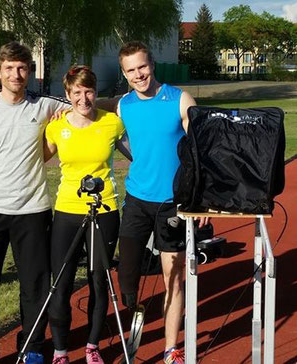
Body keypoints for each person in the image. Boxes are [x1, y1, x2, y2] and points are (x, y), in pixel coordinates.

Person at [0, 41, 69, 364]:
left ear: (30, 72)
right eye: (9, 68)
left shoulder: (45, 105)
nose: (16, 74)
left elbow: (80, 103)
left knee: (35, 283)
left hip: (32, 211)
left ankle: (32, 347)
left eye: (22, 68)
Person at [116, 41, 208, 364]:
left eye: (142, 67)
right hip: (137, 201)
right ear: (124, 74)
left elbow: (201, 152)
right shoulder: (123, 106)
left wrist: (200, 199)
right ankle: (135, 309)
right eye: (131, 70)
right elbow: (105, 126)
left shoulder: (180, 99)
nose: (138, 74)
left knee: (174, 276)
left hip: (173, 204)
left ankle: (171, 349)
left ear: (152, 63)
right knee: (126, 278)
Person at [43, 65, 125, 364]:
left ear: (96, 92)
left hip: (105, 210)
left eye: (88, 91)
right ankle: (61, 351)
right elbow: (32, 159)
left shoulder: (113, 124)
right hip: (67, 210)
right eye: (76, 92)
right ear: (68, 94)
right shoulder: (55, 127)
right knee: (61, 282)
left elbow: (140, 154)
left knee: (99, 280)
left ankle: (93, 346)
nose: (83, 98)